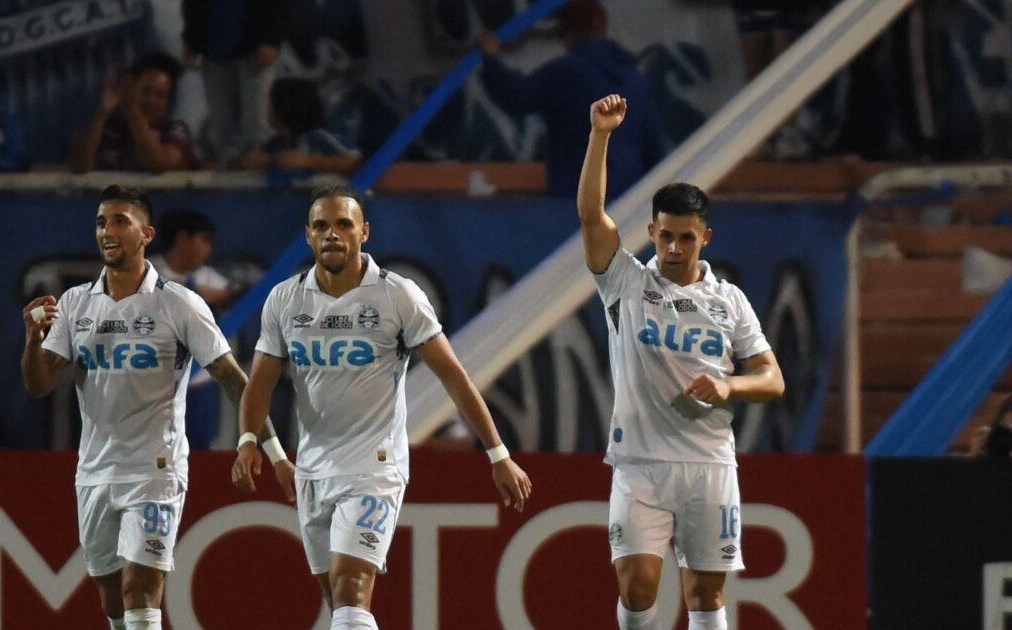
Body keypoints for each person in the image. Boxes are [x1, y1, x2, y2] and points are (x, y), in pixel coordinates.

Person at [232, 186, 532, 630]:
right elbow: (260, 382)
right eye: (321, 226)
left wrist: (498, 453)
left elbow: (453, 375)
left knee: (352, 584)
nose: (331, 234)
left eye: (343, 224)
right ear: (308, 236)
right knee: (340, 603)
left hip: (375, 467)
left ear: (364, 232)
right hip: (313, 467)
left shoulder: (397, 295)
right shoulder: (285, 300)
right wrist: (248, 442)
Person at [21, 185, 292, 630]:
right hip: (95, 469)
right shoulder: (74, 305)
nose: (107, 231)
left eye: (120, 222)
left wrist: (267, 448)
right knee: (113, 600)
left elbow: (232, 378)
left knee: (139, 590)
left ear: (146, 233)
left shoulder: (178, 303)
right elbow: (39, 383)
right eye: (101, 222)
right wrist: (32, 345)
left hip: (156, 468)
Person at [578, 94, 785, 630]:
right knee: (638, 586)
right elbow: (589, 215)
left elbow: (772, 378)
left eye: (685, 237)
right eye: (664, 235)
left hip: (709, 463)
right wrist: (601, 135)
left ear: (705, 238)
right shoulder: (625, 282)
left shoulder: (729, 301)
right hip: (640, 463)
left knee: (706, 596)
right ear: (651, 233)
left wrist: (730, 388)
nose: (673, 247)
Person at [478, 0, 664, 198]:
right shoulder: (635, 79)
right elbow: (653, 148)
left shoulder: (567, 73)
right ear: (604, 29)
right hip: (628, 203)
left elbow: (515, 96)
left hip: (578, 200)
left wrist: (490, 59)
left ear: (568, 34)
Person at [148, 208, 245, 449]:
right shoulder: (149, 269)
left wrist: (224, 296)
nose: (207, 250)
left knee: (199, 453)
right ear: (182, 239)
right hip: (155, 383)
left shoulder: (208, 276)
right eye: (203, 241)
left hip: (199, 383)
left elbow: (239, 296)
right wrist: (199, 292)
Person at [180, 0, 292, 164]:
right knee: (222, 132)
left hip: (255, 53)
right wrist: (191, 39)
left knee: (257, 130)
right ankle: (229, 184)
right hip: (215, 51)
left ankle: (262, 185)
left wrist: (272, 40)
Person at [70, 53, 199, 174]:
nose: (151, 100)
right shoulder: (108, 128)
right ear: (131, 89)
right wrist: (103, 113)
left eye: (160, 95)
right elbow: (78, 168)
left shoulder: (175, 130)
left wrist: (133, 111)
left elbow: (160, 165)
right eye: (145, 91)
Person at [241, 77, 363, 187]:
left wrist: (308, 161)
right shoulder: (275, 144)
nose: (267, 108)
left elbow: (358, 163)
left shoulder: (319, 138)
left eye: (271, 103)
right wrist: (248, 162)